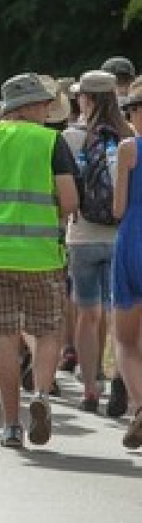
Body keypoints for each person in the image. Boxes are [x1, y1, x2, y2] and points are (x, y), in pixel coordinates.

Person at [0, 73, 79, 449]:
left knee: (5, 337)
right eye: (42, 105)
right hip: (41, 255)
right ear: (29, 107)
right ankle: (39, 392)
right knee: (47, 331)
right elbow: (69, 202)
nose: (46, 112)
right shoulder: (50, 141)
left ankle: (9, 425)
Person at [61, 71, 133, 412]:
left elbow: (63, 192)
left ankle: (90, 388)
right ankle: (121, 378)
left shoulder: (72, 138)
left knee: (87, 313)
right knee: (120, 313)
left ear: (84, 98)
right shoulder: (129, 135)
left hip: (83, 236)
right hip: (122, 235)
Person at [112, 82, 142, 447]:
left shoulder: (128, 148)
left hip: (134, 235)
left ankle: (139, 406)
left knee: (124, 339)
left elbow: (118, 207)